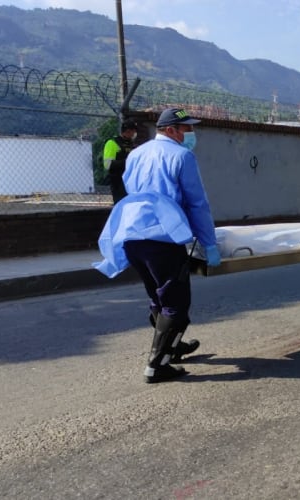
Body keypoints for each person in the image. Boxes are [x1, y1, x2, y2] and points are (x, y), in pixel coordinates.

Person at [94, 107, 221, 383]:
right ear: (172, 130)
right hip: (162, 236)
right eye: (187, 128)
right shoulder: (182, 156)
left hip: (132, 233)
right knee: (176, 303)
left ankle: (172, 348)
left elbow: (130, 189)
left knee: (158, 297)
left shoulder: (136, 154)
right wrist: (209, 243)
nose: (191, 133)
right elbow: (197, 203)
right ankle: (157, 365)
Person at [103, 119, 138, 204]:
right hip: (118, 181)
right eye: (134, 131)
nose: (135, 134)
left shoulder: (132, 144)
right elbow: (108, 165)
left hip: (131, 181)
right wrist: (127, 162)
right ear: (128, 131)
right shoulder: (112, 143)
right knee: (121, 204)